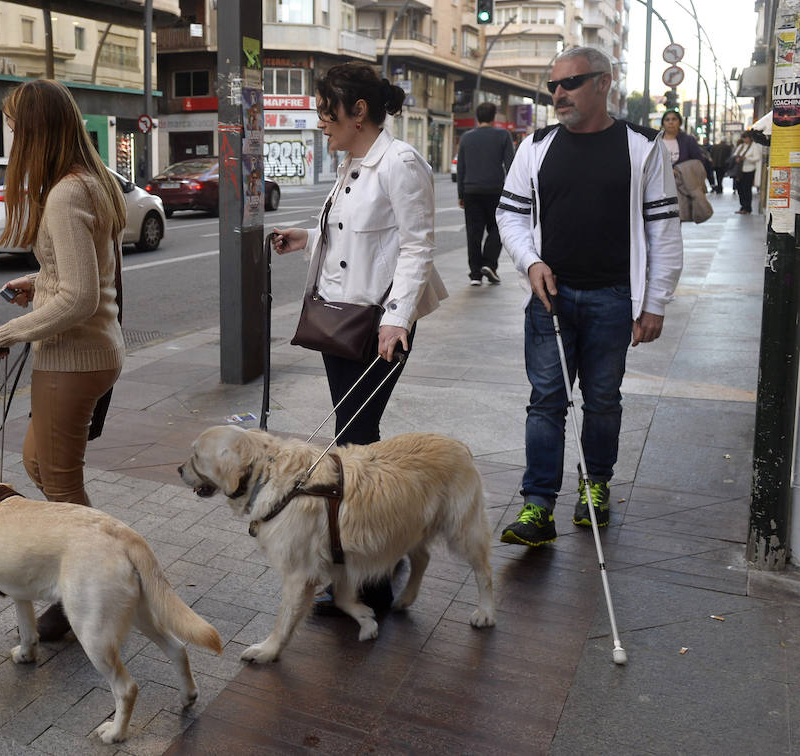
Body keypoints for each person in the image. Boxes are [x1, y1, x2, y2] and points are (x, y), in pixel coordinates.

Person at [270, 62, 447, 615]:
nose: (321, 122)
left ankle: (372, 577)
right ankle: (377, 561)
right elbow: (352, 235)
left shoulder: (400, 163)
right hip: (340, 319)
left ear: (359, 111)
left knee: (357, 442)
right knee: (357, 442)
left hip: (376, 325)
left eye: (327, 111)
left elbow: (417, 247)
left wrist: (397, 320)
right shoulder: (352, 163)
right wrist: (305, 237)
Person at [495, 46, 683, 546]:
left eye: (571, 82)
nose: (559, 93)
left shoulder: (642, 147)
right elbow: (510, 214)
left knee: (602, 401)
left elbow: (663, 229)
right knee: (545, 402)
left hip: (613, 298)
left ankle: (595, 485)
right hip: (550, 298)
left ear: (604, 83)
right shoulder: (535, 146)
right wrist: (530, 262)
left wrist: (655, 302)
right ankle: (538, 505)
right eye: (553, 85)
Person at [0, 78, 126, 640]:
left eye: (15, 128)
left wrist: (9, 331)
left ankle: (88, 587)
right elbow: (78, 272)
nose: (12, 138)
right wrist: (38, 282)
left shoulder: (66, 193)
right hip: (89, 348)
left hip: (73, 357)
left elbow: (80, 296)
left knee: (61, 485)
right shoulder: (91, 178)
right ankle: (103, 561)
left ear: (35, 132)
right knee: (39, 464)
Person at [456, 102, 515, 286]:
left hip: (471, 191)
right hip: (495, 190)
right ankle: (489, 263)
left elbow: (461, 168)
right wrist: (513, 191)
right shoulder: (503, 135)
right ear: (494, 117)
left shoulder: (466, 137)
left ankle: (475, 275)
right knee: (499, 227)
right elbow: (511, 165)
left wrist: (461, 194)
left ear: (477, 117)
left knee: (473, 233)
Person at [657, 110, 712, 224]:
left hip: (681, 185)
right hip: (659, 184)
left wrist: (680, 170)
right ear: (663, 123)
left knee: (677, 218)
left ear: (679, 122)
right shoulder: (656, 140)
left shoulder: (688, 140)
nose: (670, 122)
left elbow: (698, 161)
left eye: (674, 119)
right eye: (667, 120)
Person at [731, 131, 763, 214]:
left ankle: (747, 208)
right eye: (743, 138)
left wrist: (747, 158)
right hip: (739, 171)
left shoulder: (754, 146)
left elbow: (757, 158)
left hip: (749, 170)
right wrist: (737, 158)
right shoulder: (741, 146)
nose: (744, 140)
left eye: (746, 138)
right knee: (740, 189)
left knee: (746, 189)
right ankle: (742, 206)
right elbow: (735, 155)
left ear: (750, 138)